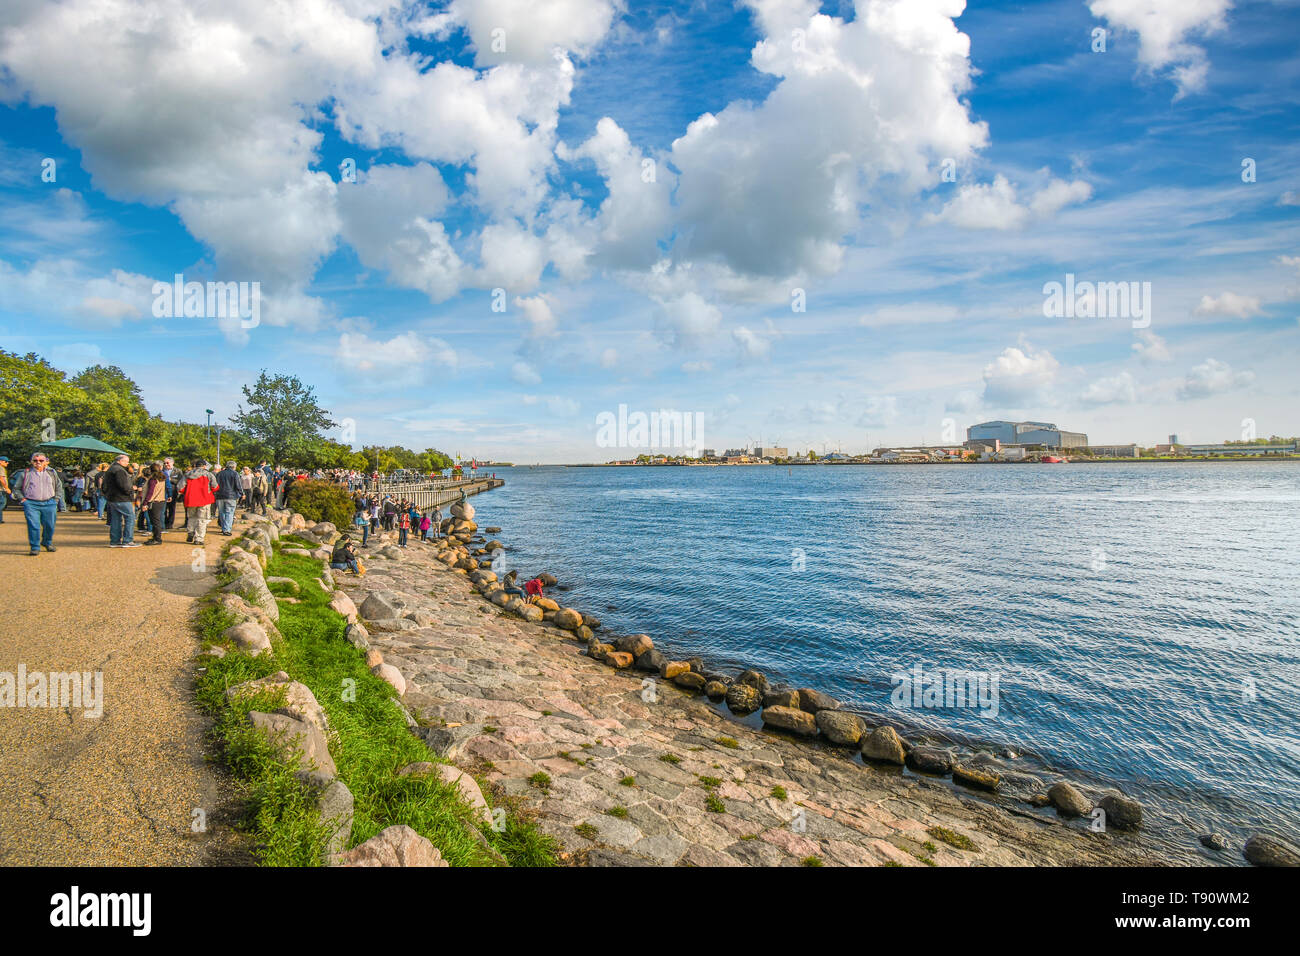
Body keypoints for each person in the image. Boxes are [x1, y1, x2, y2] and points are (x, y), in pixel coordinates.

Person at [8, 452, 64, 554]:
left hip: (49, 502)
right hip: (31, 504)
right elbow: (16, 488)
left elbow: (59, 486)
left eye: (41, 460)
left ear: (46, 462)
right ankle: (35, 547)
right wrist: (23, 500)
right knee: (34, 525)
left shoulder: (52, 472)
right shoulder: (25, 473)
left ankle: (47, 542)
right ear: (31, 462)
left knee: (49, 525)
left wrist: (56, 499)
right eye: (35, 460)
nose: (38, 462)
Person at [101, 452, 140, 548]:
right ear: (120, 461)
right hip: (122, 498)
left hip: (112, 498)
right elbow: (123, 485)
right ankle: (128, 540)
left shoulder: (110, 470)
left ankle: (115, 541)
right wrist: (132, 489)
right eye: (126, 462)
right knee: (130, 517)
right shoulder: (119, 471)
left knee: (115, 519)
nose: (127, 464)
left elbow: (104, 485)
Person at [180, 459, 218, 544]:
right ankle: (199, 538)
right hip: (204, 499)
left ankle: (190, 531)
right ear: (204, 466)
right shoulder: (209, 474)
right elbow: (215, 487)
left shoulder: (187, 474)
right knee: (202, 519)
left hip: (190, 499)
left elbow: (180, 488)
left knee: (191, 517)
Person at [141, 463, 168, 545]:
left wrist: (145, 503)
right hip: (161, 500)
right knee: (156, 520)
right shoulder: (162, 478)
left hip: (154, 501)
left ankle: (157, 538)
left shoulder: (153, 479)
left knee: (155, 521)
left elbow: (150, 492)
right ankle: (156, 537)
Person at [214, 461, 241, 535]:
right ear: (234, 467)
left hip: (220, 496)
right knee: (229, 513)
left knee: (221, 512)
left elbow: (215, 485)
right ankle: (227, 529)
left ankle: (223, 528)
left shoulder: (219, 473)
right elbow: (238, 485)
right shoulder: (235, 473)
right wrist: (241, 493)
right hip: (231, 496)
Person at [0, 455, 10, 524]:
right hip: (1, 490)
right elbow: (1, 478)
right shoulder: (0, 468)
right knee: (2, 503)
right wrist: (6, 488)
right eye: (6, 461)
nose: (7, 463)